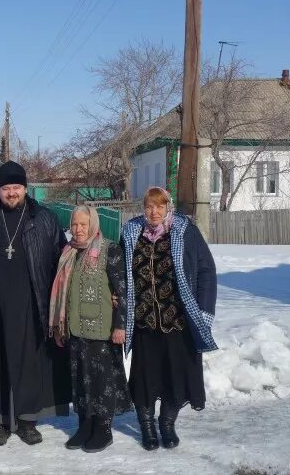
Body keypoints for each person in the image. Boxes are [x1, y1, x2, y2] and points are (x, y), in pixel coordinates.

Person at [0, 161, 70, 446]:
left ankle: (27, 421)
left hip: (32, 302)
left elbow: (61, 262)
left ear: (25, 188)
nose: (11, 193)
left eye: (16, 187)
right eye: (5, 188)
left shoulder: (45, 219)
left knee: (29, 363)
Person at [120, 186, 217, 450]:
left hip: (178, 321)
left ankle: (166, 423)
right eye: (150, 206)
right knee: (144, 379)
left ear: (168, 207)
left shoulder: (185, 231)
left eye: (160, 206)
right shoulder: (131, 233)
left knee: (177, 376)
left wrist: (205, 311)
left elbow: (206, 270)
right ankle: (147, 426)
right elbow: (118, 275)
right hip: (144, 323)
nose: (154, 212)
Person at [49, 206, 132, 453]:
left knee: (101, 381)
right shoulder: (68, 252)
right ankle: (84, 425)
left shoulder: (109, 249)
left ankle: (103, 428)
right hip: (76, 329)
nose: (78, 229)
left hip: (103, 330)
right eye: (75, 224)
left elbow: (122, 291)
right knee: (80, 381)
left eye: (84, 224)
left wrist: (120, 325)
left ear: (93, 224)